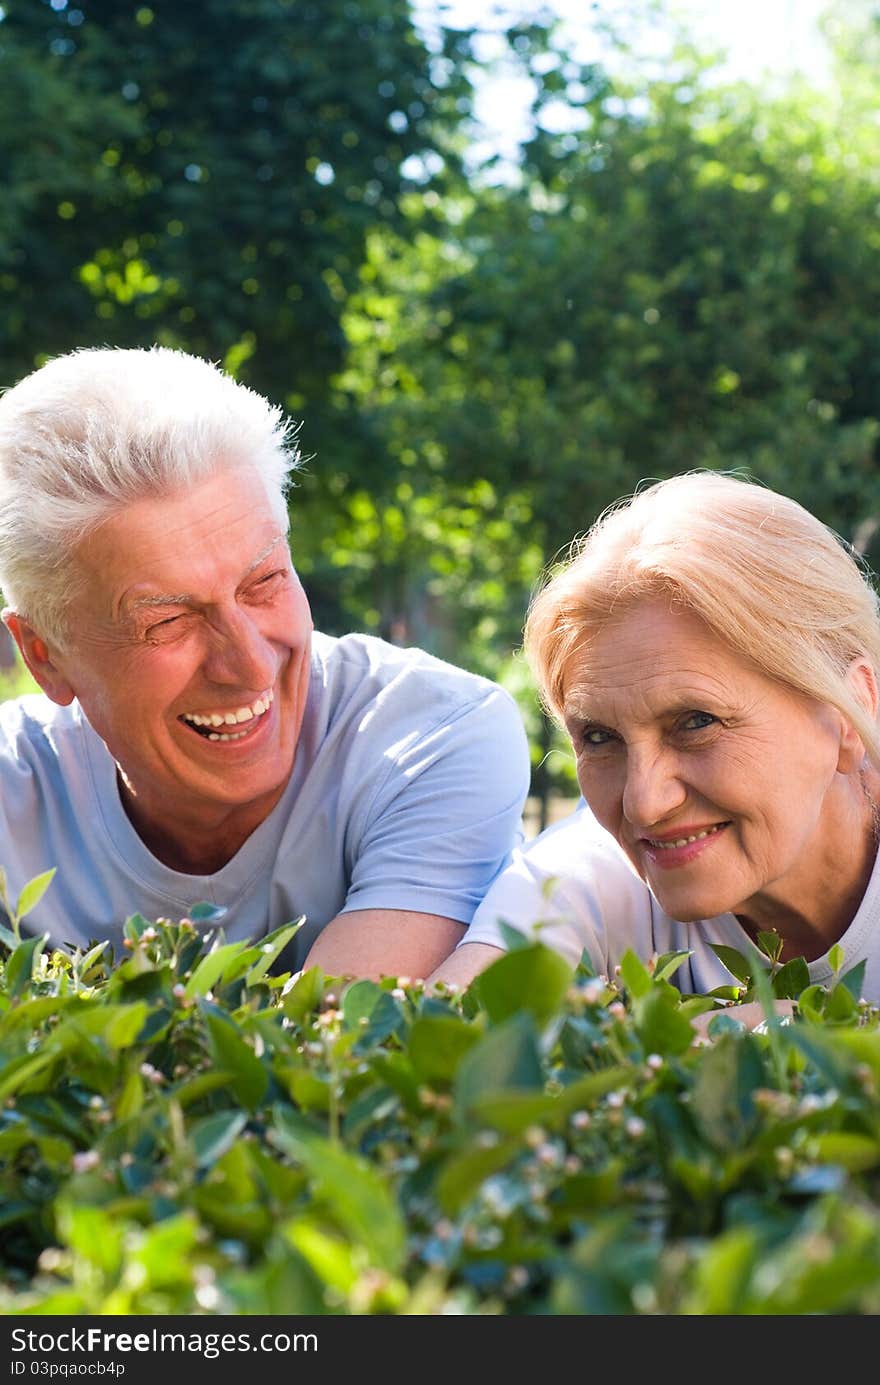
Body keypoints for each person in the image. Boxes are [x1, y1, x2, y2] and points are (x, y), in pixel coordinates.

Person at [0, 346, 530, 979]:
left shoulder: (434, 739)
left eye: (264, 582)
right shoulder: (14, 793)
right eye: (167, 621)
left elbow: (341, 1053)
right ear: (45, 656)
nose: (249, 665)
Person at [433, 471, 880, 1009]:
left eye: (696, 722)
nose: (644, 804)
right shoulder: (593, 881)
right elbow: (439, 1046)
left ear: (849, 713)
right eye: (599, 737)